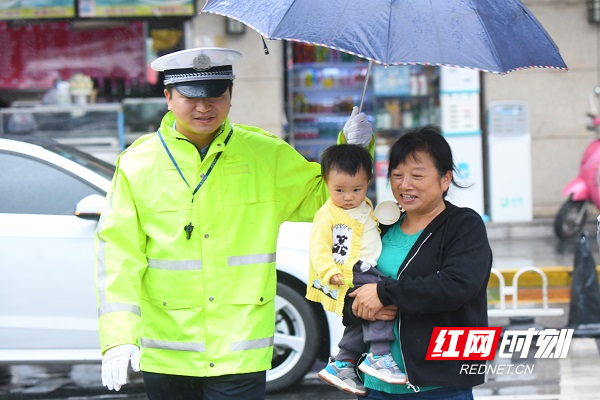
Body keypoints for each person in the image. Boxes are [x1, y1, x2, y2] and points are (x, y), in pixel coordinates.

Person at [94, 47, 374, 400]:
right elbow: (119, 255)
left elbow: (327, 198)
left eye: (215, 95)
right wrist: (118, 336)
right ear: (168, 96)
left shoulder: (265, 154)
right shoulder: (137, 164)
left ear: (230, 95)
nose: (204, 107)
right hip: (167, 352)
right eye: (191, 97)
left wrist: (353, 150)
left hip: (240, 350)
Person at [348, 125, 493, 399]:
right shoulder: (382, 226)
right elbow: (353, 288)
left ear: (445, 179)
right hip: (375, 384)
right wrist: (360, 307)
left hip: (440, 384)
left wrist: (384, 294)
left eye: (417, 175)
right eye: (397, 175)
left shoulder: (464, 225)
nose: (404, 185)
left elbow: (456, 286)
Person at [306, 144, 406, 397]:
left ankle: (343, 363)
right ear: (325, 182)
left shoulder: (366, 205)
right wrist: (329, 271)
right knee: (378, 307)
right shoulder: (327, 215)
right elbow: (318, 248)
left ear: (368, 182)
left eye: (356, 189)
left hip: (364, 267)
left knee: (360, 321)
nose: (348, 196)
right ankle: (379, 355)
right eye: (339, 190)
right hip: (350, 271)